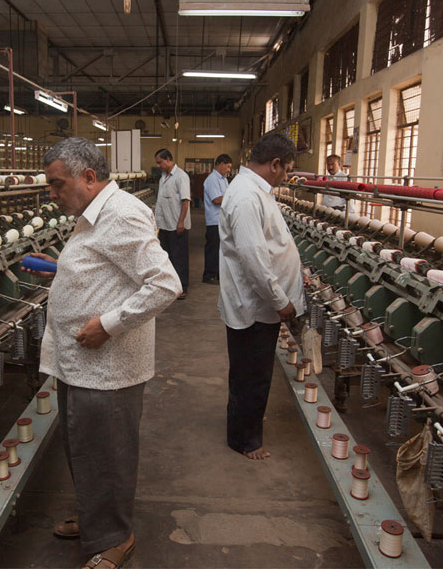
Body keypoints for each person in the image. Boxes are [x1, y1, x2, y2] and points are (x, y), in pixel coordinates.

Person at [26, 138, 181, 569]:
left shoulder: (121, 214)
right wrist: (60, 268)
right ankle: (96, 517)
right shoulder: (92, 214)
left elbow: (165, 284)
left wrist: (109, 324)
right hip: (81, 365)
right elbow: (105, 268)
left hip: (108, 368)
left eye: (57, 184)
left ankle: (116, 538)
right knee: (85, 449)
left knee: (108, 454)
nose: (52, 194)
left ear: (89, 177)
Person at [218, 133, 305, 460]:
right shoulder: (245, 196)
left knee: (251, 371)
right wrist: (280, 300)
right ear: (275, 164)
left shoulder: (256, 191)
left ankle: (247, 420)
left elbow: (267, 245)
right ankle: (245, 440)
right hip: (254, 306)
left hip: (258, 304)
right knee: (251, 374)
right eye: (287, 170)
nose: (286, 177)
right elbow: (253, 260)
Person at [154, 148, 190, 299]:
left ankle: (182, 288)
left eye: (159, 162)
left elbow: (185, 201)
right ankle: (170, 286)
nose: (158, 166)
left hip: (176, 225)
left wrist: (181, 222)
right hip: (164, 225)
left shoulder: (181, 176)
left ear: (168, 159)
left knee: (179, 257)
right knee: (166, 257)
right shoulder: (163, 177)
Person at [202, 154, 231, 284]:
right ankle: (209, 275)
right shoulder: (212, 179)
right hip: (214, 221)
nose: (228, 170)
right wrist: (232, 197)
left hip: (222, 220)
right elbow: (216, 199)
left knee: (221, 249)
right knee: (213, 249)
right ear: (221, 164)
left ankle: (218, 273)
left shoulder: (224, 179)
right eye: (228, 167)